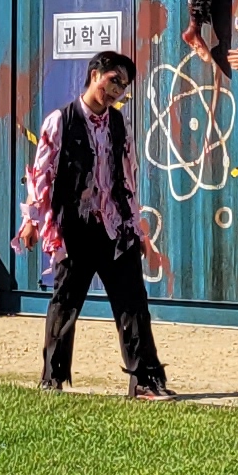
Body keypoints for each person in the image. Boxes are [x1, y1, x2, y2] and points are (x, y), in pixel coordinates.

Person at [20, 48, 173, 399]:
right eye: (113, 80)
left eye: (123, 86)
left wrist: (138, 229)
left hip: (116, 228)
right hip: (76, 227)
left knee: (133, 302)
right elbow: (42, 174)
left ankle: (145, 381)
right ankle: (52, 379)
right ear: (95, 75)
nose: (116, 90)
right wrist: (32, 221)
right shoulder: (61, 120)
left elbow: (128, 178)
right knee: (65, 301)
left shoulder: (121, 124)